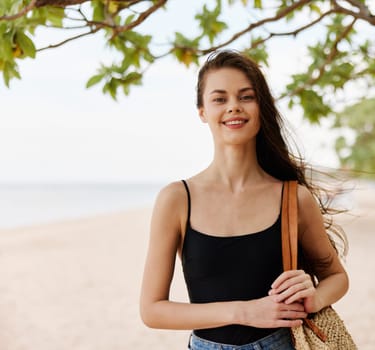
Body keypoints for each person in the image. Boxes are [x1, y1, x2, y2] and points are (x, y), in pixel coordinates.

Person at [140, 50, 349, 350]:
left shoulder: (294, 198)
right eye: (220, 99)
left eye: (246, 96)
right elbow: (152, 310)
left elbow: (337, 278)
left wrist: (314, 297)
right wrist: (245, 311)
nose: (233, 107)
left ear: (260, 107)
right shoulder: (176, 199)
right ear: (202, 111)